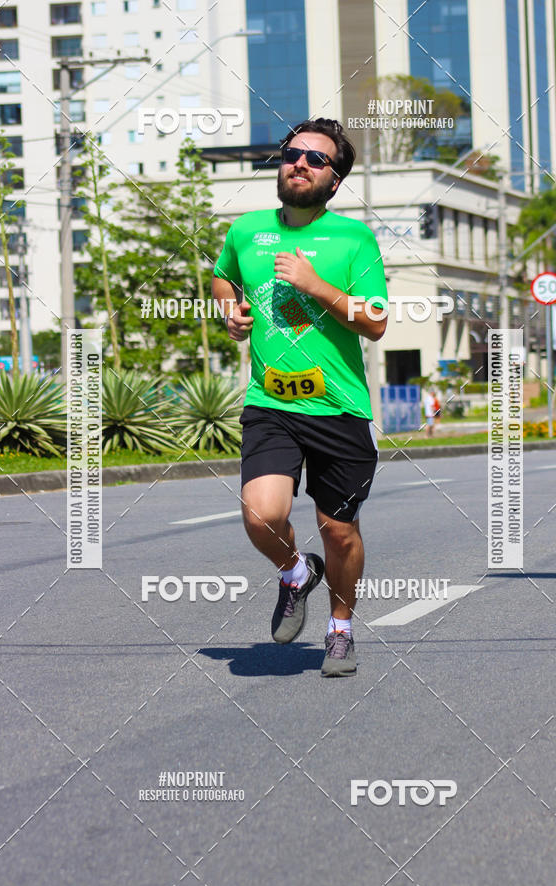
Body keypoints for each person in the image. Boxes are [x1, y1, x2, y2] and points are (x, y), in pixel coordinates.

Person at [212, 118, 388, 677]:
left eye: (316, 159)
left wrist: (314, 285)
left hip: (340, 408)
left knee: (339, 530)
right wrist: (228, 309)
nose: (300, 164)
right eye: (293, 153)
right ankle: (293, 572)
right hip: (271, 404)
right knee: (262, 515)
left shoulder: (354, 239)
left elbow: (376, 322)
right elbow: (222, 276)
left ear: (334, 181)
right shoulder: (247, 231)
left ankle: (340, 627)